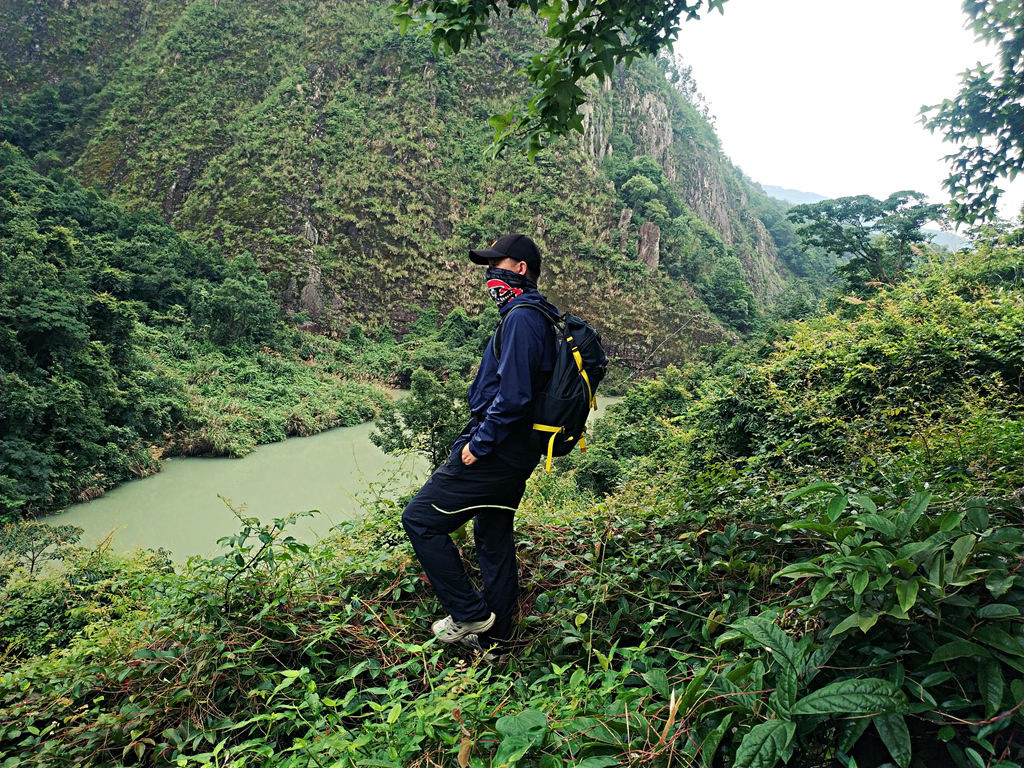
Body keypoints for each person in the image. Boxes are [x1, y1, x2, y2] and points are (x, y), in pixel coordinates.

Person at [401, 233, 558, 658]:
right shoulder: (535, 315)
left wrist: (480, 443)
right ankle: (497, 640)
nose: (490, 274)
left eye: (497, 264)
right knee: (492, 537)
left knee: (419, 519)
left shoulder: (523, 317)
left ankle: (468, 614)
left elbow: (514, 395)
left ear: (520, 269)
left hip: (497, 451)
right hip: (517, 454)